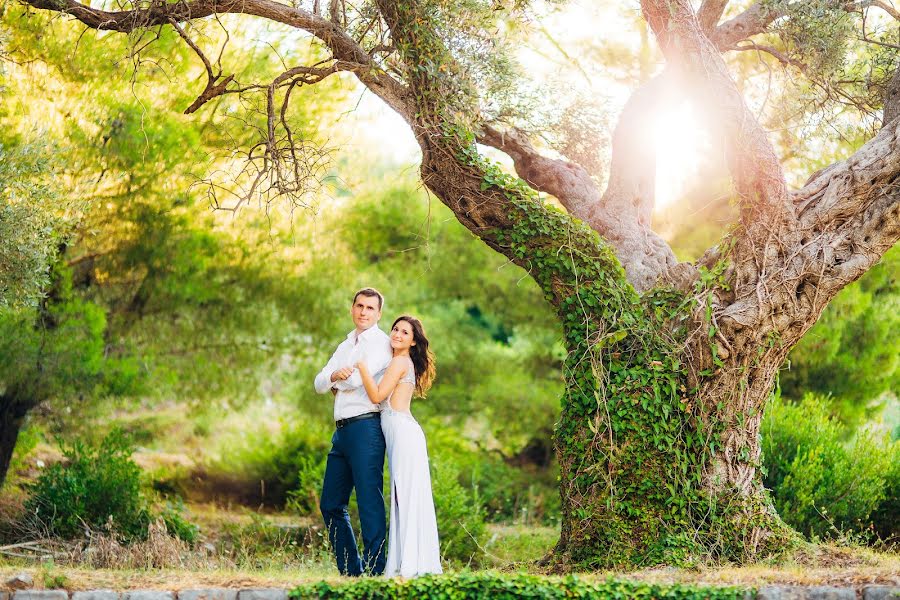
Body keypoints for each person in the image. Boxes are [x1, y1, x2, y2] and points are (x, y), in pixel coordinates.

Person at [313, 288, 393, 576]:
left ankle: (375, 572)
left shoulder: (381, 344)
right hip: (342, 431)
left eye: (370, 308)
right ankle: (351, 572)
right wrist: (334, 377)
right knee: (331, 504)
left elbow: (359, 380)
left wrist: (338, 382)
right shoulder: (345, 344)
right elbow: (319, 382)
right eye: (360, 306)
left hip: (366, 428)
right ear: (352, 308)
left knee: (369, 501)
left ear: (378, 313)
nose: (363, 312)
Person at [356, 315, 442, 578]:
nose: (397, 334)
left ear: (413, 341)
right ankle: (409, 562)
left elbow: (377, 396)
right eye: (395, 329)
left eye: (405, 333)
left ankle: (409, 564)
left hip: (404, 434)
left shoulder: (399, 362)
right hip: (403, 433)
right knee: (404, 496)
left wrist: (361, 367)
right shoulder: (401, 362)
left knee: (404, 496)